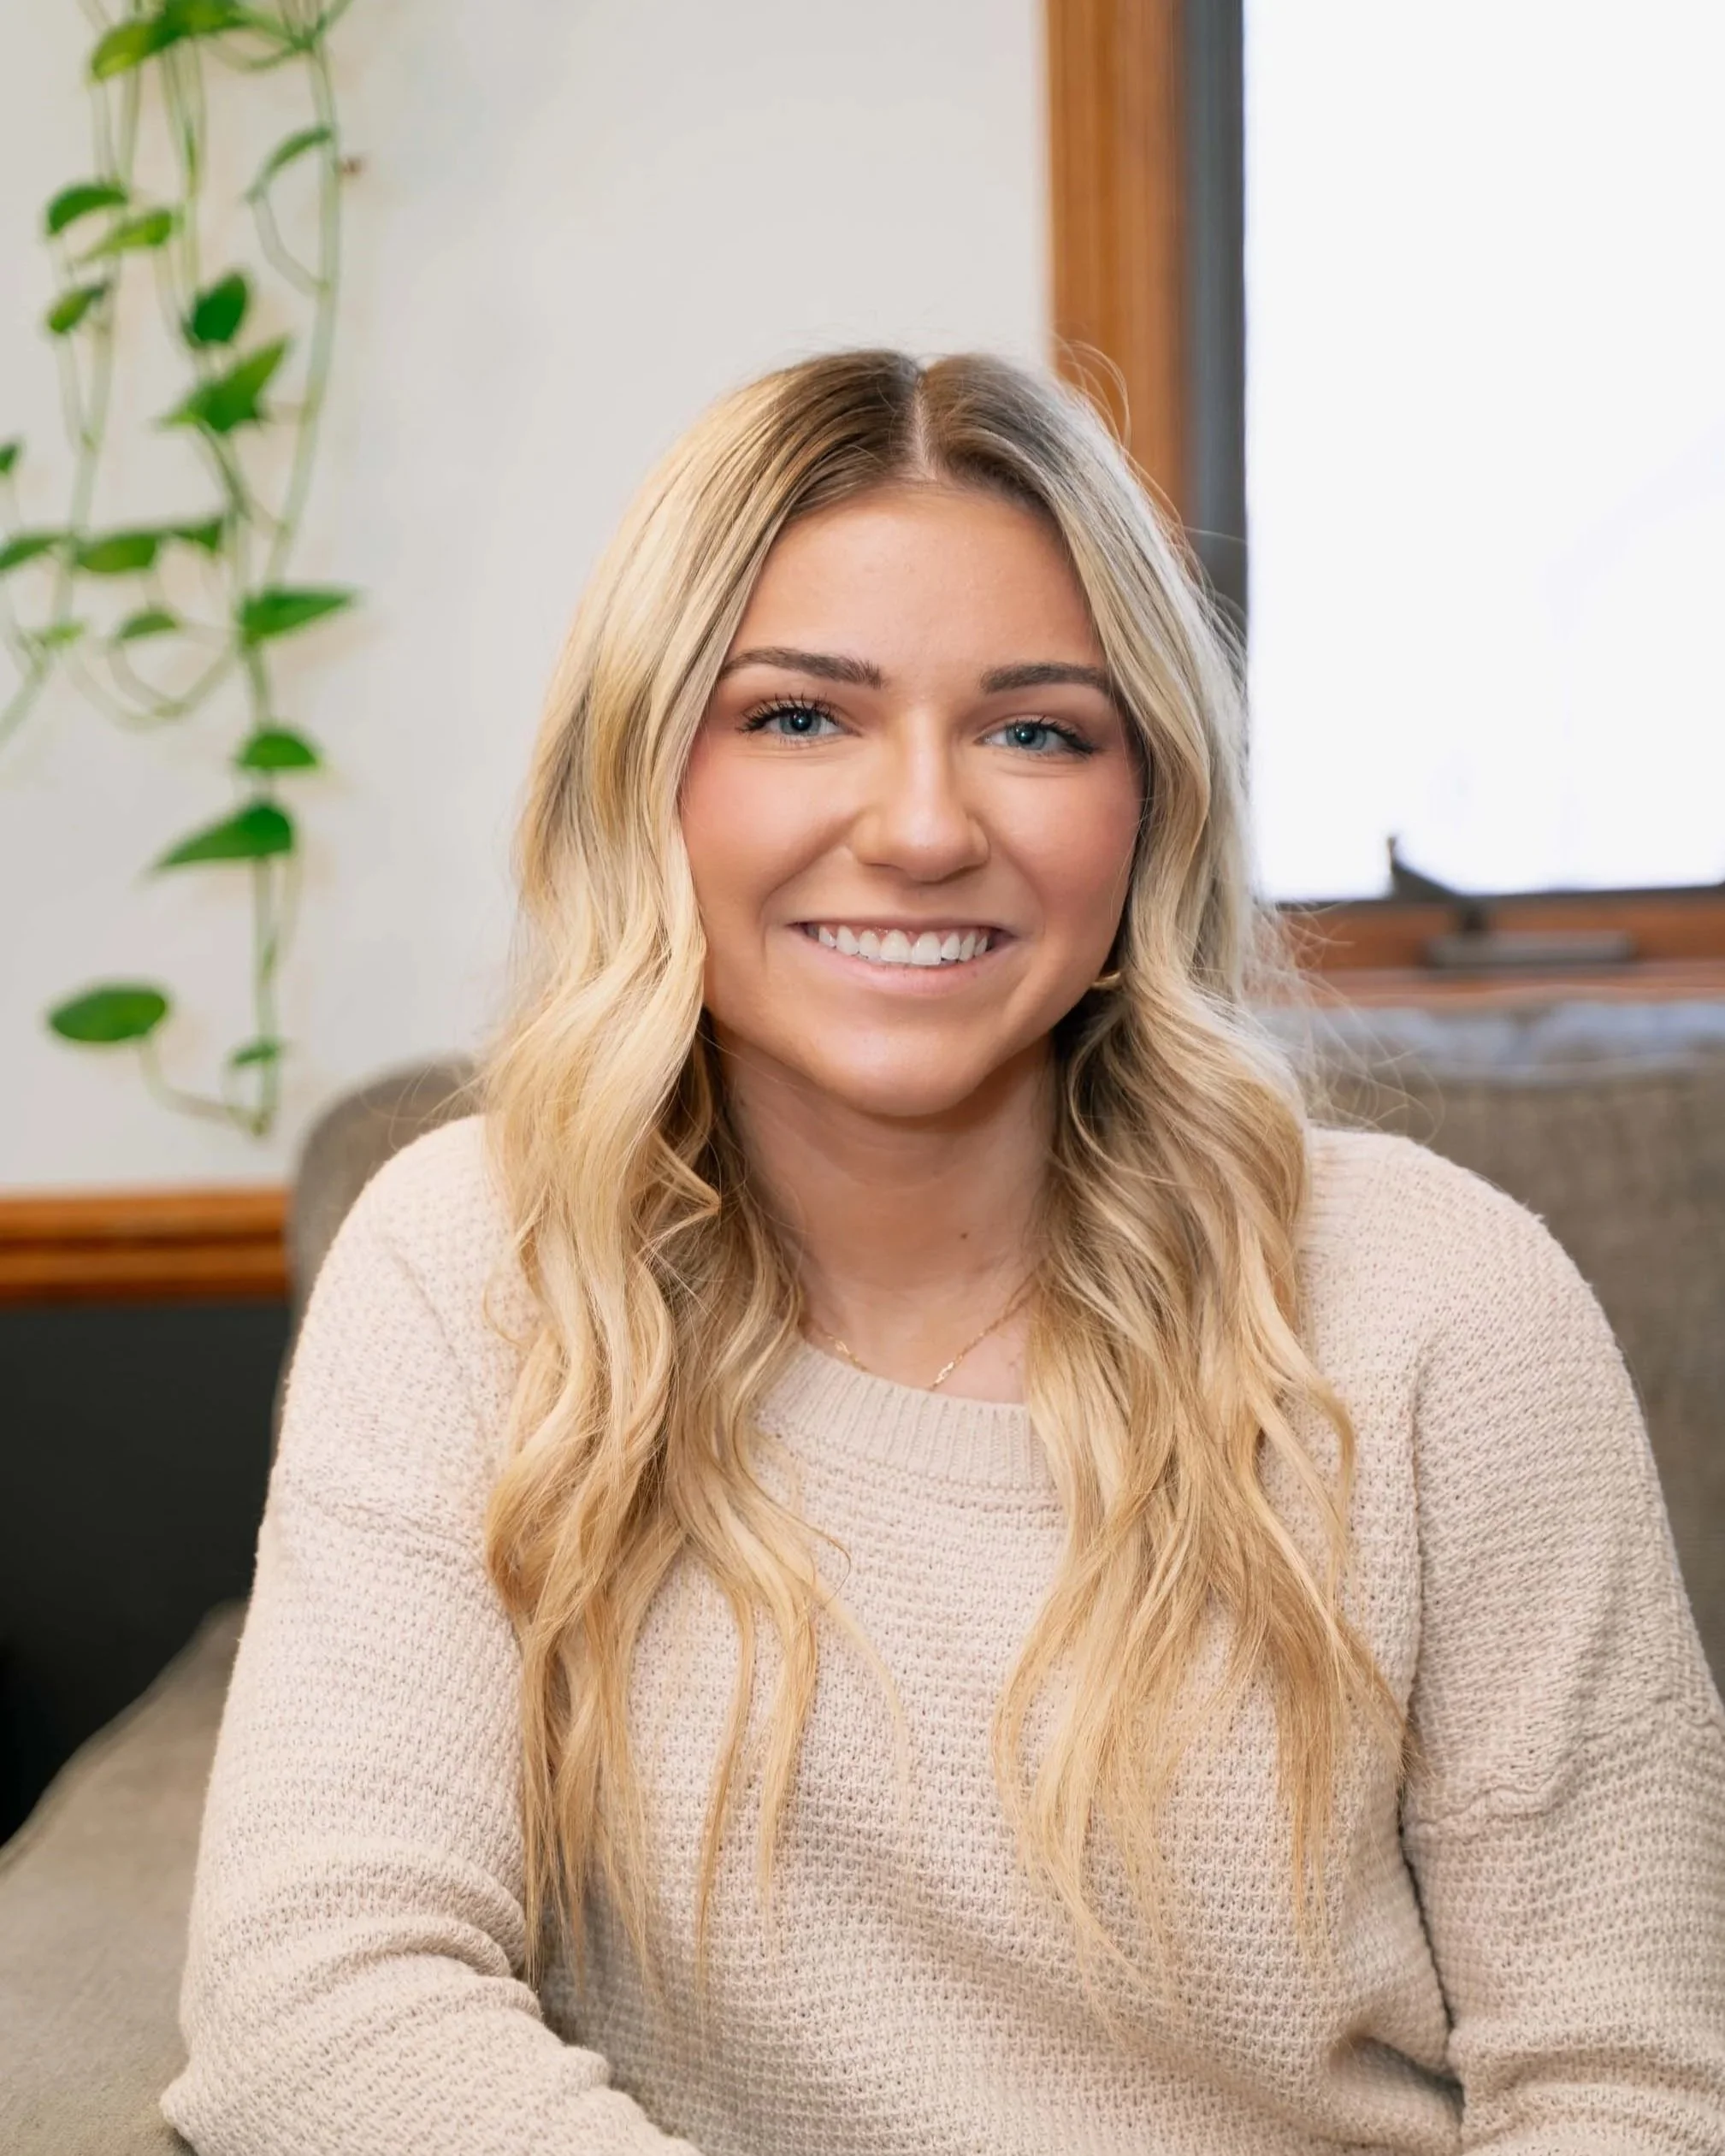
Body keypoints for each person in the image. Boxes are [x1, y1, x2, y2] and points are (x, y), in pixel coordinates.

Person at [161, 351, 1725, 2155]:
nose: (920, 830)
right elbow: (322, 1997)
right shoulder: (469, 1261)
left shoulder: (1447, 1304)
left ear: (1150, 810)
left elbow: (1630, 2085)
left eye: (1037, 729)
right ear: (645, 777)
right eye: (800, 718)